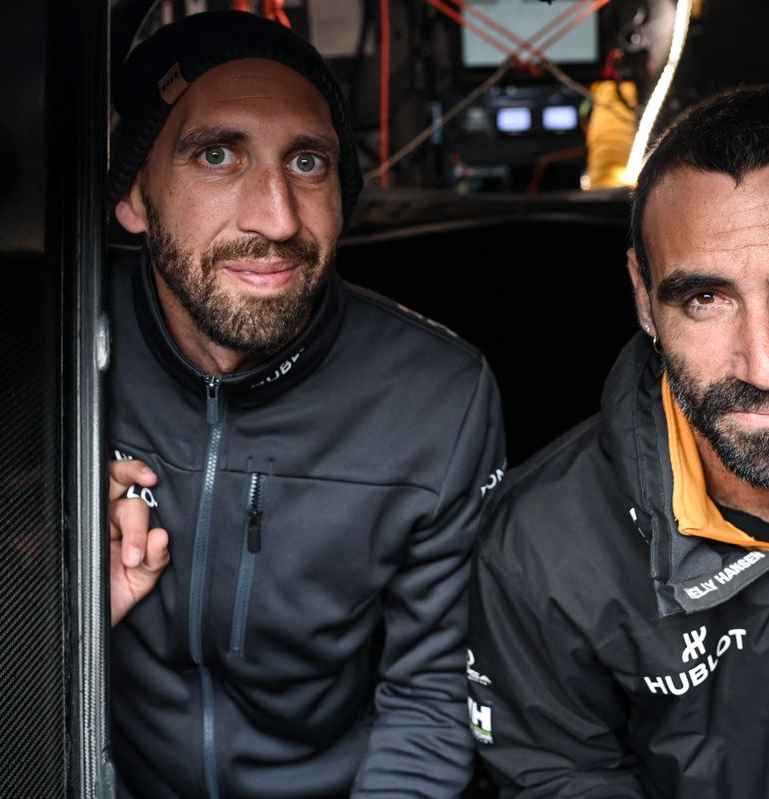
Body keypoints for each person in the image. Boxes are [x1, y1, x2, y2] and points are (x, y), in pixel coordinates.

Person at [467, 87, 769, 797]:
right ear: (644, 298)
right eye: (705, 299)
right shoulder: (543, 545)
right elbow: (559, 777)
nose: (764, 367)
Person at [104, 11, 505, 798]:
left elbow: (430, 701)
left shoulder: (437, 397)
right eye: (217, 155)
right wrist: (53, 598)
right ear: (134, 197)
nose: (278, 217)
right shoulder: (46, 354)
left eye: (310, 162)